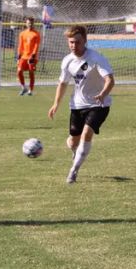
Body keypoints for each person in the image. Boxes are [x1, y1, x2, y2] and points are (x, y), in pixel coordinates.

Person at [48, 25, 115, 184]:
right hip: (77, 106)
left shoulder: (96, 58)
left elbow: (110, 80)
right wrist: (56, 104)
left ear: (85, 41)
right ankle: (75, 151)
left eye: (77, 42)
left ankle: (74, 171)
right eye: (71, 42)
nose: (74, 45)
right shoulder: (67, 61)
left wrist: (103, 94)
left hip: (99, 104)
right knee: (73, 141)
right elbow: (63, 83)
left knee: (87, 134)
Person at [16, 16, 41, 96]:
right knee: (19, 71)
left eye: (31, 23)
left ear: (33, 24)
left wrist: (33, 56)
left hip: (32, 57)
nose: (30, 24)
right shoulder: (22, 34)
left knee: (31, 72)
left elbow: (36, 46)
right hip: (23, 56)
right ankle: (23, 88)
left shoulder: (36, 34)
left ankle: (30, 90)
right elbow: (20, 45)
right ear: (26, 24)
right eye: (28, 23)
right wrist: (18, 56)